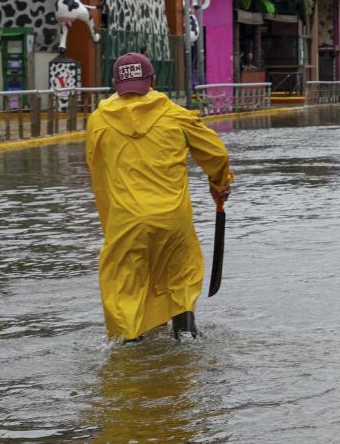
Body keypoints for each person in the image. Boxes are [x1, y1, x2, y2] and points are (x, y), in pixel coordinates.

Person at [86, 52, 233, 341]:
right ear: (152, 81)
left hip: (126, 222)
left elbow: (98, 174)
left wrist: (110, 226)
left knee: (124, 287)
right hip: (172, 220)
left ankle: (129, 346)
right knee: (180, 274)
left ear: (115, 84)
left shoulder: (97, 121)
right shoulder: (175, 115)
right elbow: (216, 154)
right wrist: (220, 184)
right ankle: (186, 329)